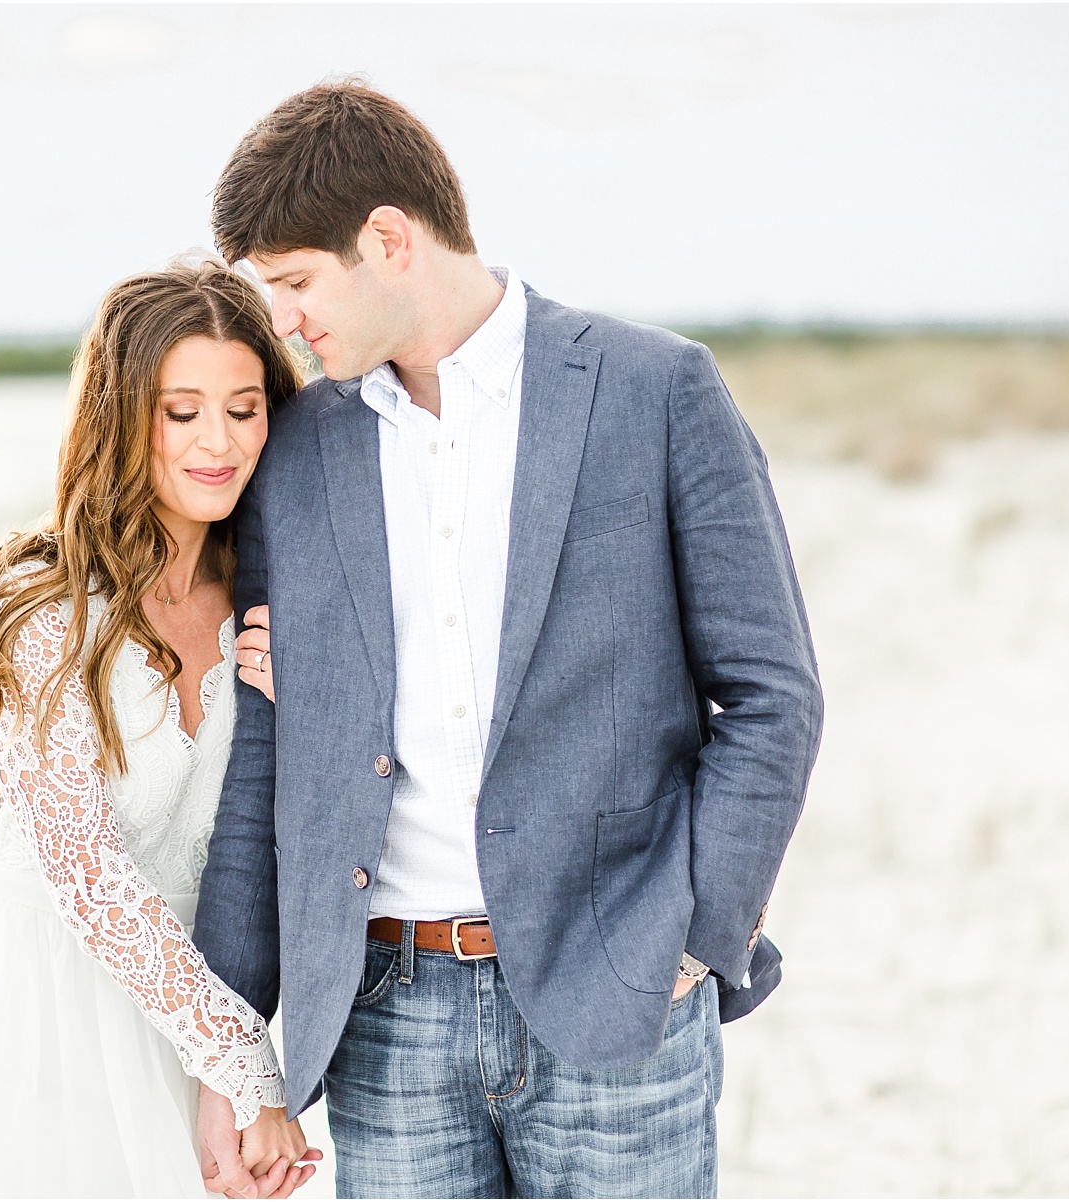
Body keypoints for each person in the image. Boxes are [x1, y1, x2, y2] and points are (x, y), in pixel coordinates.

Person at [192, 80, 824, 1198]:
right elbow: (265, 762)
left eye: (294, 283)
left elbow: (772, 693)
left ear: (387, 238)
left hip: (618, 994)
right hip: (383, 1023)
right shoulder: (296, 453)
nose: (283, 321)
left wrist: (690, 938)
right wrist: (231, 1047)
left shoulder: (654, 390)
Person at [0, 261, 323, 1198]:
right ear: (122, 415)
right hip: (35, 1010)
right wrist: (245, 1065)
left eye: (245, 408)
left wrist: (312, 700)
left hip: (188, 1012)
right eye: (182, 411)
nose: (219, 441)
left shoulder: (272, 597)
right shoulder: (37, 603)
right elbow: (83, 869)